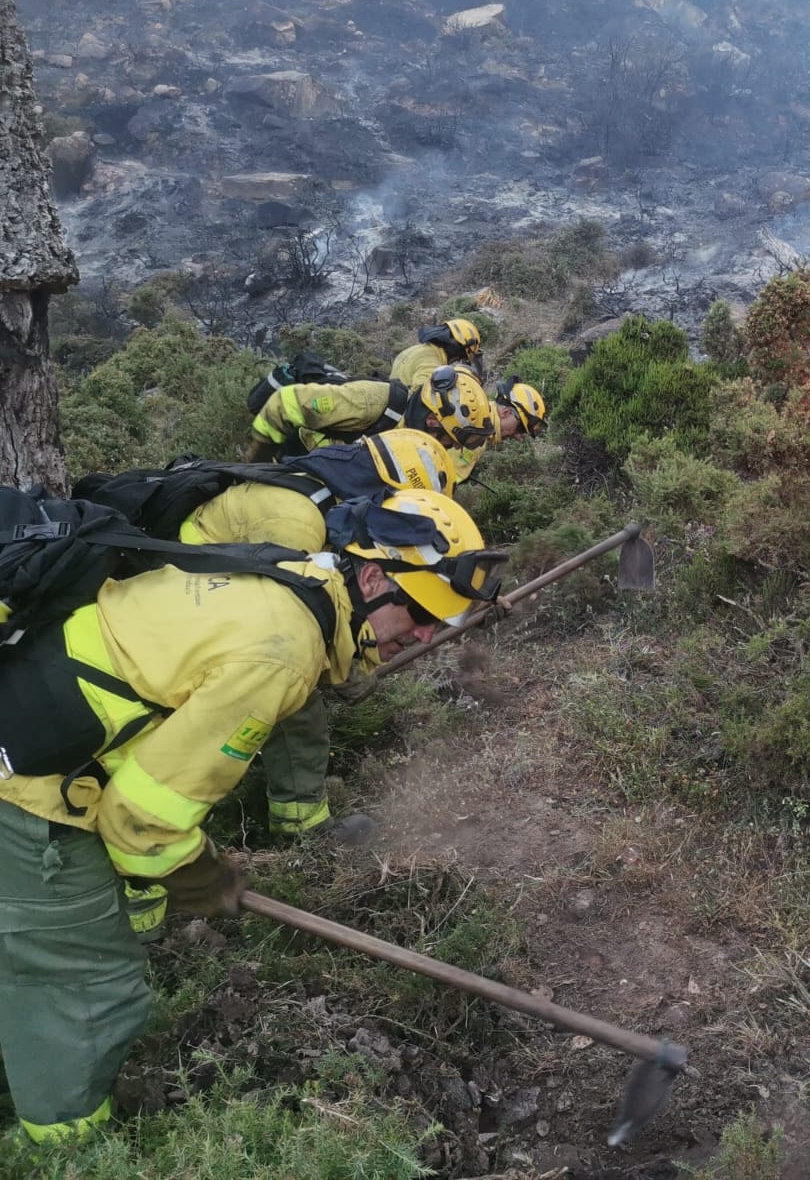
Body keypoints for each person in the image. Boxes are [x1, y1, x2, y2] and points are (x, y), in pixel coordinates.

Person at [0, 490, 504, 1144]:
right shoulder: (281, 650)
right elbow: (141, 823)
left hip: (32, 723)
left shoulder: (291, 577)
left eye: (440, 623)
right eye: (419, 613)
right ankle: (66, 1148)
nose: (426, 634)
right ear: (374, 577)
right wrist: (207, 881)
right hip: (29, 793)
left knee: (33, 957)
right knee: (90, 986)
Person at [117, 430, 460, 943]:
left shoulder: (325, 505)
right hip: (170, 614)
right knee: (281, 697)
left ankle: (290, 815)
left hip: (198, 606)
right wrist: (345, 671)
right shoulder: (296, 518)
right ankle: (138, 910)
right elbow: (295, 622)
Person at [245, 365, 495, 463]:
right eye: (450, 439)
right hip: (291, 466)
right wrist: (257, 464)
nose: (450, 447)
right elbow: (287, 402)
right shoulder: (372, 402)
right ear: (432, 420)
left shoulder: (410, 436)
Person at [450, 376, 549, 483]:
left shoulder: (474, 408)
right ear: (505, 413)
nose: (518, 437)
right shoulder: (476, 439)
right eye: (519, 429)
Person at [389, 318, 483, 391]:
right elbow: (420, 397)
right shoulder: (431, 361)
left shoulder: (414, 350)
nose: (456, 361)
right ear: (456, 347)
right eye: (460, 357)